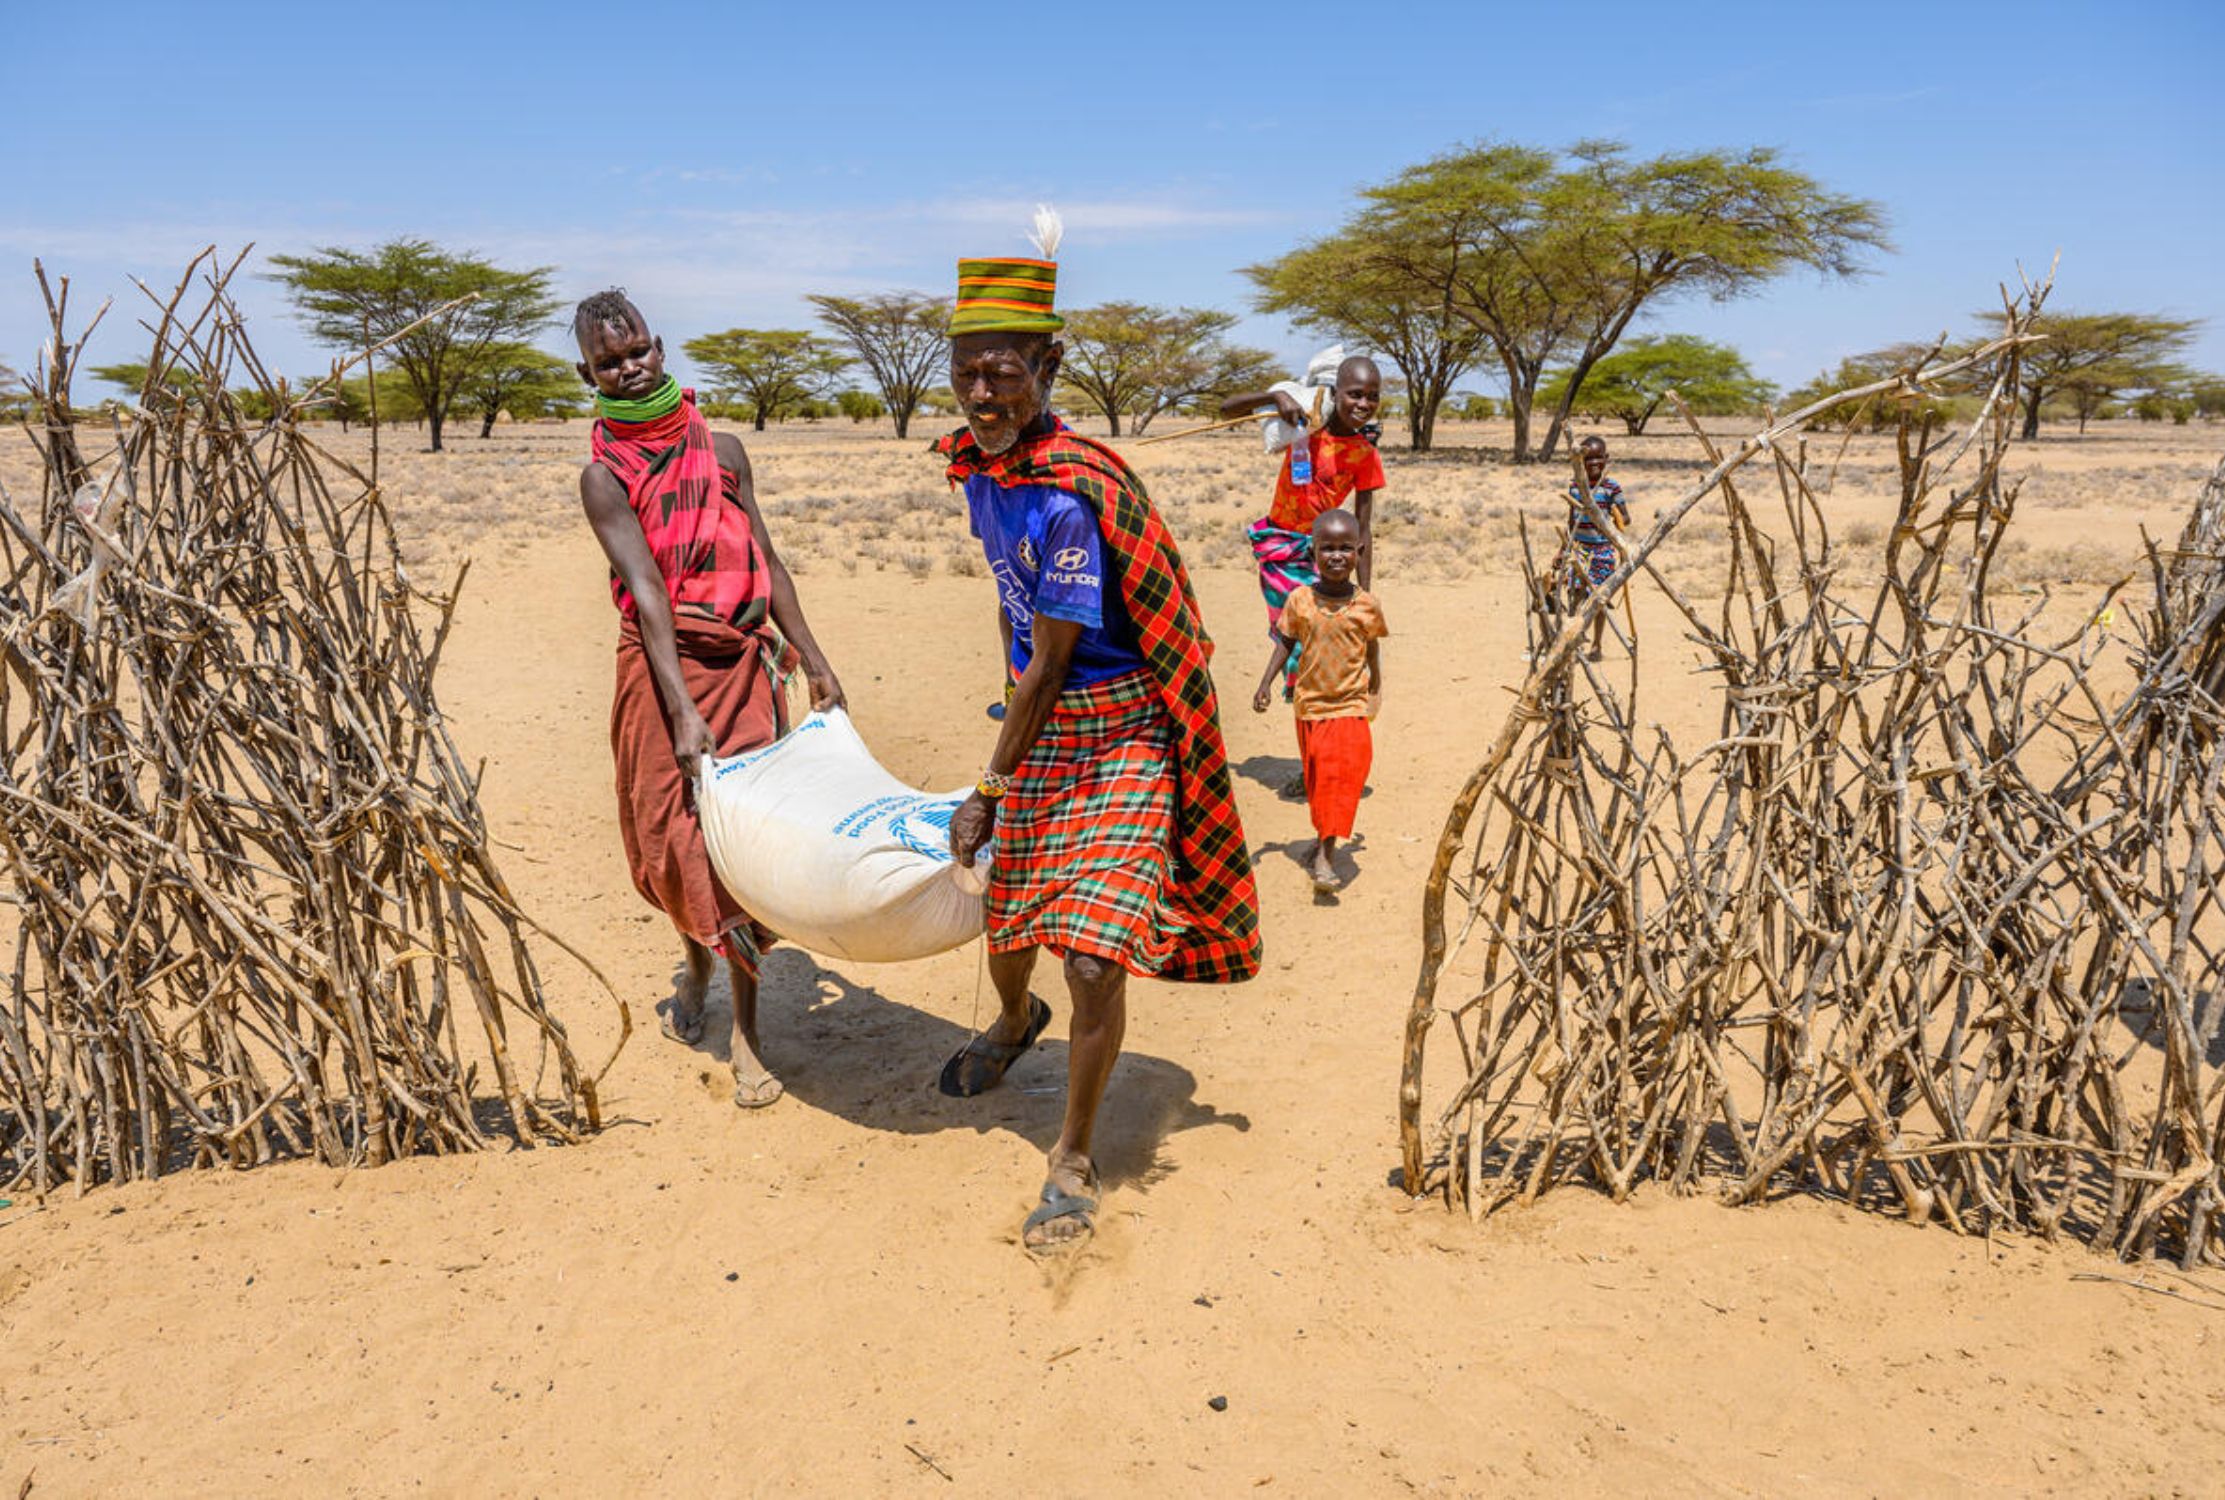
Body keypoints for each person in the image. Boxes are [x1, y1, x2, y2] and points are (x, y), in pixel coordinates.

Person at [931, 222, 1261, 1254]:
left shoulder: (1074, 493)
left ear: (1046, 368)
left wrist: (990, 778)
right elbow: (1009, 611)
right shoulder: (986, 474)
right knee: (1014, 920)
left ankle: (1071, 1152)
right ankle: (1009, 1023)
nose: (984, 397)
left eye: (1004, 376)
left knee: (1089, 956)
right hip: (1036, 722)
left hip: (1117, 735)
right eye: (966, 377)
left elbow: (1058, 657)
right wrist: (1006, 713)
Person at [573, 288, 844, 1110]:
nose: (628, 370)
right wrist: (680, 708)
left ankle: (747, 1034)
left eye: (637, 353)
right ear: (586, 371)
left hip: (740, 662)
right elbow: (648, 590)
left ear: (660, 348)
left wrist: (813, 653)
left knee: (740, 843)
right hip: (661, 670)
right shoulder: (603, 475)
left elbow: (766, 556)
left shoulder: (722, 449)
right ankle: (696, 962)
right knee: (669, 837)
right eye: (608, 362)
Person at [1219, 356, 1385, 701]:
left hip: (1324, 553)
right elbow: (1226, 408)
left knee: (1325, 639)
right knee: (1299, 639)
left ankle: (1325, 713)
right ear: (1334, 392)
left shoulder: (1365, 454)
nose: (1363, 404)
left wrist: (1365, 593)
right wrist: (1272, 397)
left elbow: (1363, 530)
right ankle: (1313, 710)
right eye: (1355, 394)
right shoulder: (1302, 430)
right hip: (1279, 550)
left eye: (1372, 396)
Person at [1251, 509, 1386, 893]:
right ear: (1313, 552)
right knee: (1318, 778)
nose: (1337, 556)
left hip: (1349, 705)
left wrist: (1375, 684)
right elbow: (1286, 642)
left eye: (1346, 548)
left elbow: (1372, 646)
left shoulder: (1367, 605)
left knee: (1346, 773)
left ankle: (1326, 854)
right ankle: (1322, 837)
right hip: (1310, 705)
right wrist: (1264, 684)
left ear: (1359, 551)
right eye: (1328, 548)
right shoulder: (1299, 600)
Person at [1560, 435, 1631, 662]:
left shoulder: (1611, 487)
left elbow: (1626, 518)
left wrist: (1610, 518)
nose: (1593, 464)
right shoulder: (1575, 486)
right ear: (1580, 461)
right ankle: (1574, 639)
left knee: (1599, 600)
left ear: (1606, 459)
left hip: (1602, 551)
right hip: (1580, 549)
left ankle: (1598, 644)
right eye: (1588, 459)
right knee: (1575, 595)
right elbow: (1572, 521)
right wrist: (1563, 549)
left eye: (1598, 458)